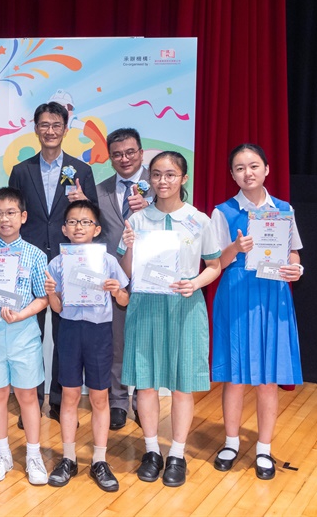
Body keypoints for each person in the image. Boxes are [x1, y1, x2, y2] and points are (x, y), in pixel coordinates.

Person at [118, 151, 222, 487]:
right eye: (157, 174)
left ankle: (176, 453)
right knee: (145, 383)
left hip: (184, 307)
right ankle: (151, 450)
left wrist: (195, 283)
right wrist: (130, 246)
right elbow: (126, 272)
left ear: (183, 178)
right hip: (145, 305)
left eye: (171, 174)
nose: (163, 181)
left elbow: (215, 266)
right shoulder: (136, 221)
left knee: (181, 385)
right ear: (149, 179)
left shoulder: (199, 220)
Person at [210, 143, 303, 480]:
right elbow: (215, 263)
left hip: (273, 297)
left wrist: (297, 270)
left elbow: (293, 256)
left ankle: (264, 449)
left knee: (268, 379)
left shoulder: (284, 209)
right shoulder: (222, 211)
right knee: (235, 377)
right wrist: (235, 247)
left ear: (266, 169)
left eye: (253, 166)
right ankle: (231, 442)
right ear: (232, 174)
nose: (247, 173)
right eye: (239, 168)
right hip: (236, 296)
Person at [8, 101, 98, 424]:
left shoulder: (82, 171)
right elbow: (11, 214)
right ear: (35, 129)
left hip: (67, 264)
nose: (50, 131)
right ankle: (29, 400)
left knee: (65, 335)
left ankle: (60, 401)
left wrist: (83, 201)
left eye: (56, 125)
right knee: (28, 335)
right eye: (44, 125)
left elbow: (92, 219)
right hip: (29, 263)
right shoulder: (21, 171)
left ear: (65, 129)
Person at [44, 200, 129, 492]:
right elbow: (56, 308)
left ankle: (99, 460)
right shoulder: (56, 263)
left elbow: (124, 301)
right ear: (64, 229)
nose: (79, 227)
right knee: (68, 396)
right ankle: (68, 458)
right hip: (69, 330)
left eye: (85, 222)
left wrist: (117, 291)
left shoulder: (108, 261)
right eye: (73, 222)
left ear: (97, 229)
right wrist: (52, 293)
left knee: (99, 397)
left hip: (98, 332)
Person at [0, 187, 50, 485]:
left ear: (23, 216)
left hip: (23, 332)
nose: (5, 219)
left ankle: (33, 455)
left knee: (28, 395)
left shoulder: (35, 255)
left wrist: (20, 314)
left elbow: (42, 298)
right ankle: (2, 454)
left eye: (11, 213)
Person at [94, 128, 151, 430]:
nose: (124, 159)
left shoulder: (158, 186)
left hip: (150, 278)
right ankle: (117, 401)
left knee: (143, 341)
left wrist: (150, 206)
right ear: (110, 158)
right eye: (117, 154)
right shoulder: (100, 189)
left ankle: (144, 400)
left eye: (130, 152)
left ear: (141, 153)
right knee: (115, 341)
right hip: (113, 277)